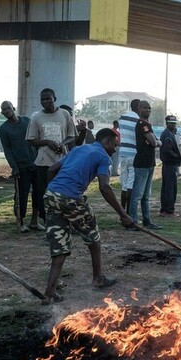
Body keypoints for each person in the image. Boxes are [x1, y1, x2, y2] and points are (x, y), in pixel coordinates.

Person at [42, 128, 134, 303]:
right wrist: (123, 215)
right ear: (107, 141)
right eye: (115, 145)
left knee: (59, 244)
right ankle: (98, 278)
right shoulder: (103, 157)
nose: (115, 149)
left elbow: (51, 170)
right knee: (93, 236)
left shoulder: (78, 149)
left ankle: (49, 293)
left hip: (51, 195)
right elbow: (104, 187)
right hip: (71, 198)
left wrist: (55, 192)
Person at [26, 88, 77, 229]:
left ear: (54, 98)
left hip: (62, 162)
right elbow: (30, 140)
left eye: (48, 98)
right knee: (44, 193)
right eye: (42, 99)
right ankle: (48, 221)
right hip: (43, 162)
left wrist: (62, 144)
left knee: (63, 192)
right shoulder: (36, 117)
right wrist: (47, 142)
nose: (45, 102)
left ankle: (66, 221)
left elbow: (72, 136)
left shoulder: (65, 114)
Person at [0, 101, 41, 233]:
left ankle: (34, 221)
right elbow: (7, 150)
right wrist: (14, 167)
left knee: (38, 193)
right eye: (4, 109)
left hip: (36, 163)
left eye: (8, 108)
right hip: (21, 166)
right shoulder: (4, 129)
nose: (7, 111)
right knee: (21, 195)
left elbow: (36, 138)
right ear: (2, 113)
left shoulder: (27, 121)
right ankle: (20, 221)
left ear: (13, 108)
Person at [129, 100, 161, 229]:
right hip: (142, 163)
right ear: (139, 108)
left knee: (146, 196)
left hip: (149, 163)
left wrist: (155, 142)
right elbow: (154, 142)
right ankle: (133, 222)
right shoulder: (142, 124)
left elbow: (154, 141)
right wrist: (157, 142)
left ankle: (147, 221)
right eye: (145, 108)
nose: (148, 110)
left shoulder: (147, 124)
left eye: (149, 108)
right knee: (137, 195)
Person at [117, 99, 140, 211]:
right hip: (133, 153)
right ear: (138, 107)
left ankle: (122, 210)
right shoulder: (138, 120)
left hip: (123, 152)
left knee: (124, 184)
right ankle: (128, 211)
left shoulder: (122, 118)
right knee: (131, 183)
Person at [159, 115, 181, 217]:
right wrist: (176, 156)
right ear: (167, 124)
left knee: (167, 187)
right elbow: (167, 151)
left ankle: (164, 209)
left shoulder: (168, 133)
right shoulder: (167, 135)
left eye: (174, 123)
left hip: (168, 164)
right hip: (170, 164)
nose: (173, 125)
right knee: (170, 188)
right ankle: (169, 211)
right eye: (171, 124)